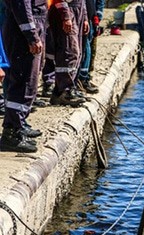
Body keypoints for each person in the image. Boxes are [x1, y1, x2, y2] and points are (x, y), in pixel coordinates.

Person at [0, 0, 47, 152]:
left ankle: (19, 125)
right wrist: (31, 35)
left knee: (29, 82)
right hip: (22, 33)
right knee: (22, 82)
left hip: (30, 25)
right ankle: (12, 133)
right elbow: (21, 5)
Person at [48, 0, 88, 107]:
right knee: (69, 52)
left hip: (76, 11)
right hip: (65, 11)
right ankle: (64, 91)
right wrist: (65, 15)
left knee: (77, 53)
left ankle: (62, 90)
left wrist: (85, 18)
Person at [77, 0, 105, 94]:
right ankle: (81, 79)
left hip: (89, 17)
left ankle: (84, 77)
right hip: (83, 16)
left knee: (88, 50)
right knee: (85, 49)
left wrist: (97, 17)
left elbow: (99, 3)